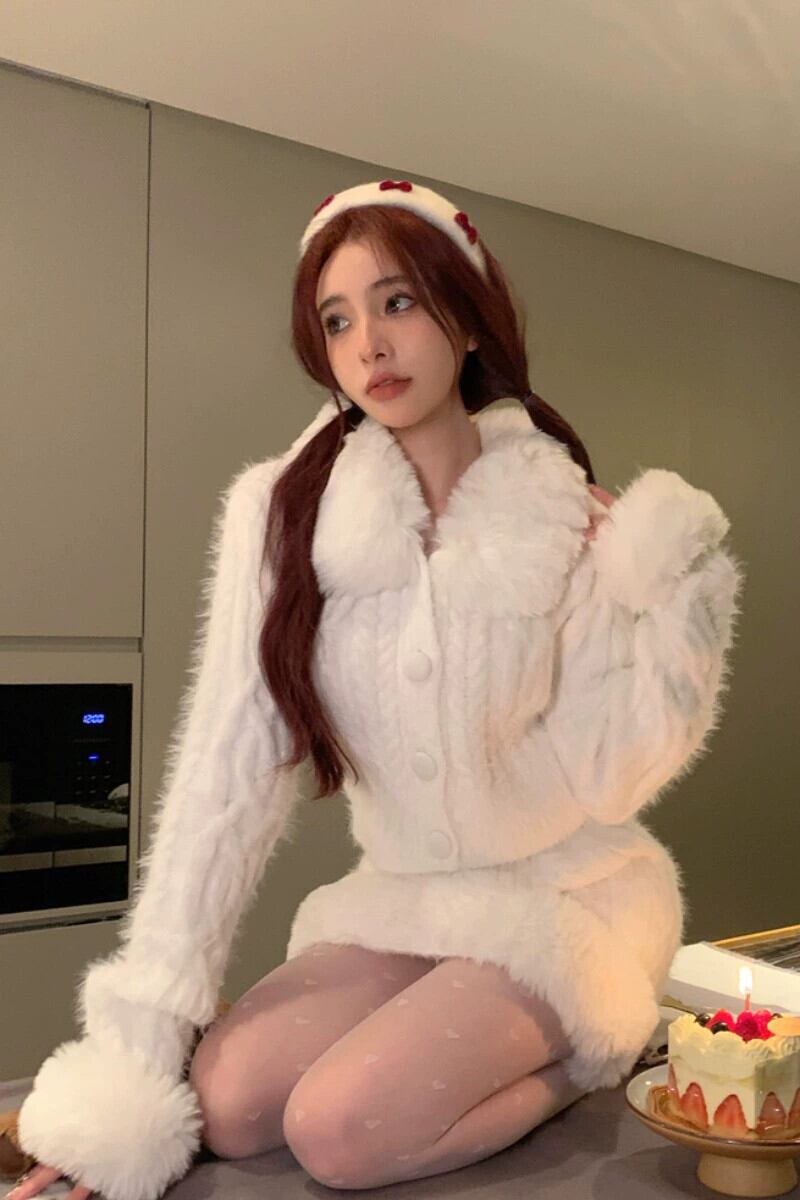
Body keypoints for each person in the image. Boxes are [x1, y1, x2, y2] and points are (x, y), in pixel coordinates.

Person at [10, 179, 744, 1199]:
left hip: (562, 905)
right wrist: (132, 1058)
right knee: (224, 1104)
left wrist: (668, 601)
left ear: (466, 315)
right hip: (401, 904)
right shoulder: (283, 514)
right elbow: (225, 781)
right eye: (338, 319)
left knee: (340, 1131)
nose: (370, 345)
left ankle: (596, 1049)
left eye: (397, 301)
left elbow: (610, 777)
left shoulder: (562, 517)